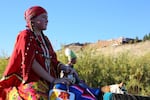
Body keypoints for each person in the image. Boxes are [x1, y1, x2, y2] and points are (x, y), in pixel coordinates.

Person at [0, 6, 76, 100]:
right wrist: (53, 80)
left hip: (47, 80)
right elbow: (31, 62)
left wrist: (65, 67)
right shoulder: (25, 35)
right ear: (33, 19)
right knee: (38, 97)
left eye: (47, 18)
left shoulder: (45, 39)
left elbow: (53, 60)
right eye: (43, 17)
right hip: (32, 80)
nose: (47, 20)